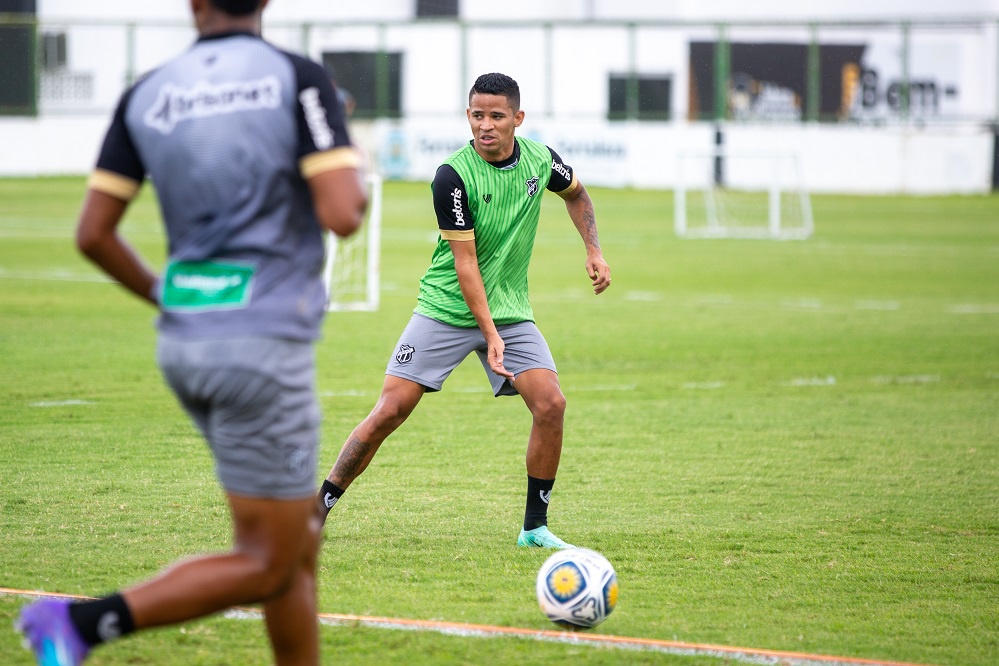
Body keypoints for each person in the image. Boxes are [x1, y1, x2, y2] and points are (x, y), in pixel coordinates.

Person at [16, 1, 367, 665]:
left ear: (194, 6)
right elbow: (344, 211)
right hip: (261, 346)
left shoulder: (146, 92)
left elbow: (93, 233)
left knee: (298, 540)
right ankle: (82, 624)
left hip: (187, 342)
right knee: (267, 562)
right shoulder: (296, 77)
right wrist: (343, 159)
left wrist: (166, 294)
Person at [315, 72, 611, 549]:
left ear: (518, 118)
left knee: (551, 404)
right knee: (391, 411)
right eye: (477, 115)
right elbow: (465, 264)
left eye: (496, 116)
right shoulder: (452, 177)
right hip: (446, 309)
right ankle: (318, 509)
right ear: (467, 116)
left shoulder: (541, 160)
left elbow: (576, 194)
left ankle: (535, 528)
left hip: (510, 311)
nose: (485, 126)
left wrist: (593, 250)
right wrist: (490, 335)